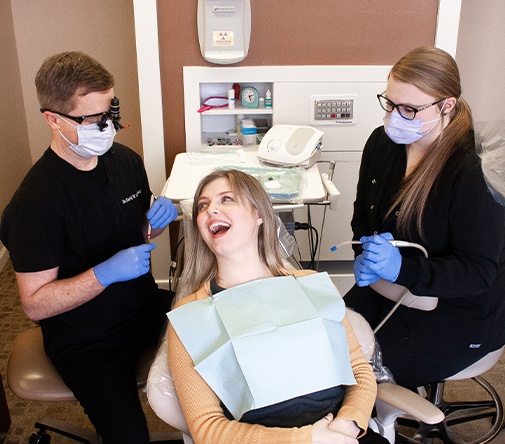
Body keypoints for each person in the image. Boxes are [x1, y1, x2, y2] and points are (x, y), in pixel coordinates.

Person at [0, 51, 178, 443]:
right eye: (92, 118)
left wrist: (155, 223)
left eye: (110, 111)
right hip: (88, 340)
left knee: (224, 335)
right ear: (54, 119)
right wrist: (103, 274)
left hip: (142, 307)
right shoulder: (34, 205)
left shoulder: (126, 162)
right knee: (130, 437)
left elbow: (141, 236)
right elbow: (33, 304)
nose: (107, 125)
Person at [168, 169, 388, 444]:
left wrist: (348, 424)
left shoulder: (311, 285)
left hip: (341, 432)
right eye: (203, 205)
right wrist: (309, 438)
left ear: (259, 214)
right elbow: (208, 430)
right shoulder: (190, 317)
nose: (211, 209)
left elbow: (360, 371)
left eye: (226, 199)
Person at [344, 46, 505, 388]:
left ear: (447, 105)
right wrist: (366, 254)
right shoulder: (382, 144)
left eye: (409, 109)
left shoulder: (472, 171)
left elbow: (477, 273)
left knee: (352, 375)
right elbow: (363, 216)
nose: (394, 117)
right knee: (321, 342)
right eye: (389, 103)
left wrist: (400, 267)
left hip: (457, 313)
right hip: (389, 289)